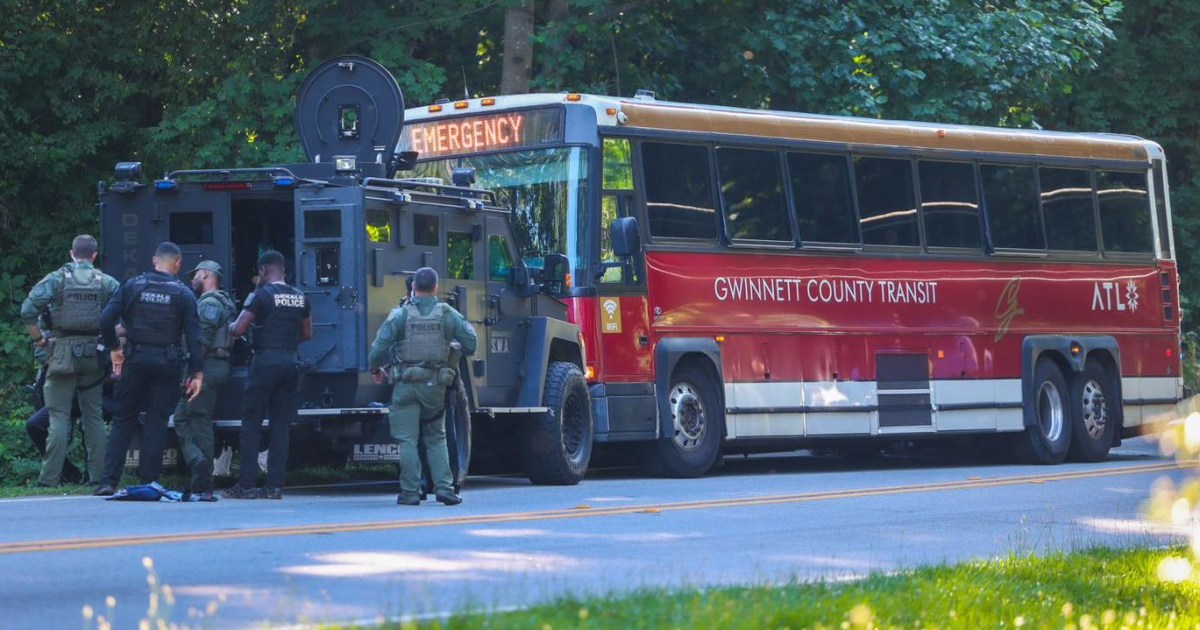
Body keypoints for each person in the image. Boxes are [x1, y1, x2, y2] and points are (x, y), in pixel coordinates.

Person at [93, 242, 204, 496]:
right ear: (177, 264)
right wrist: (197, 373)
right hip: (167, 362)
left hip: (135, 359)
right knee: (157, 421)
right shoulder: (184, 294)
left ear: (155, 260)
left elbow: (105, 320)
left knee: (124, 418)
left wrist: (114, 348)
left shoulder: (132, 286)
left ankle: (108, 481)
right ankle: (149, 482)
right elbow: (195, 337)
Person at [368, 267, 476, 506]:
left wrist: (377, 370)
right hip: (435, 386)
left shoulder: (399, 315)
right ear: (436, 288)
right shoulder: (448, 314)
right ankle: (445, 489)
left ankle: (410, 492)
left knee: (407, 440)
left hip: (405, 385)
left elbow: (377, 350)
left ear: (413, 287)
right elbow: (471, 343)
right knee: (436, 437)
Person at [20, 234, 119, 487]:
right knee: (93, 417)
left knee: (58, 416)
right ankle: (98, 478)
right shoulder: (107, 282)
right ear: (94, 255)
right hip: (93, 355)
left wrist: (40, 341)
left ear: (71, 253)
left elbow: (27, 311)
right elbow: (125, 318)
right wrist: (111, 343)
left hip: (61, 353)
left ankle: (49, 480)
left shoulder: (56, 279)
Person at [223, 250, 311, 500]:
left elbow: (238, 330)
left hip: (264, 363)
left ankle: (247, 485)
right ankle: (274, 486)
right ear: (283, 269)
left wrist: (229, 325)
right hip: (290, 362)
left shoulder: (260, 296)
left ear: (263, 271)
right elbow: (307, 333)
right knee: (280, 426)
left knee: (251, 423)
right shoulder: (300, 296)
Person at [173, 260, 237, 501]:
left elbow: (203, 339)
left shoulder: (209, 303)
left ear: (207, 274)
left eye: (196, 274)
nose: (192, 279)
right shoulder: (222, 301)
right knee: (181, 416)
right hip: (211, 366)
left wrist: (193, 371)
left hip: (207, 367)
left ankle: (203, 483)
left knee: (199, 420)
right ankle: (197, 462)